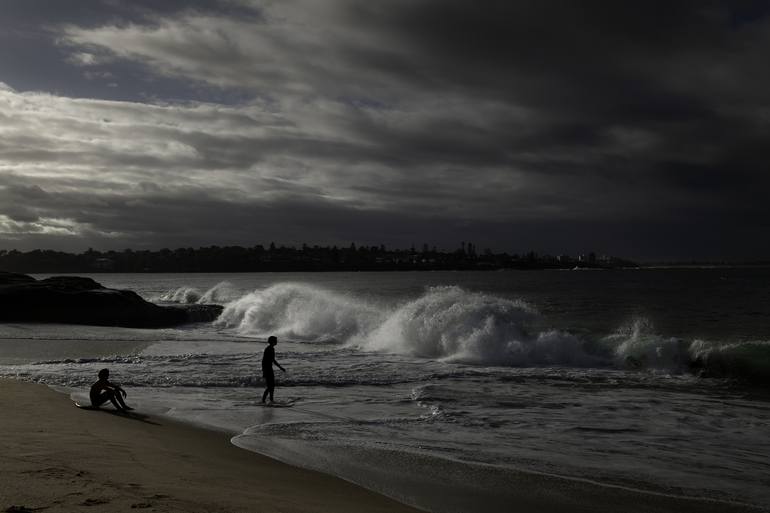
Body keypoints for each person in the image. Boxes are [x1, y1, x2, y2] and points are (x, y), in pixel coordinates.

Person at [261, 336, 286, 403]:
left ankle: (271, 399)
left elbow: (272, 360)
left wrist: (280, 367)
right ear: (272, 341)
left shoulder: (271, 348)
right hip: (267, 369)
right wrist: (264, 371)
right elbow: (265, 361)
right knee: (270, 386)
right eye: (275, 340)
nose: (276, 341)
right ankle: (263, 400)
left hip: (269, 368)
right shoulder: (269, 349)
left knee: (272, 386)